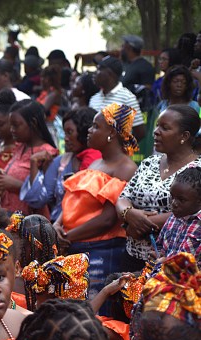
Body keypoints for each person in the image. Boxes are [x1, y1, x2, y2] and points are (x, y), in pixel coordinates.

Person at [56, 104, 138, 297]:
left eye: (95, 126)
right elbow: (73, 198)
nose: (89, 131)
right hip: (75, 244)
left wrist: (67, 237)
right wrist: (57, 225)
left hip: (101, 251)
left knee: (94, 311)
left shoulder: (125, 168)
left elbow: (108, 220)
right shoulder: (96, 163)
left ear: (111, 131)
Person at [115, 105, 200, 272]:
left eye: (165, 128)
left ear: (184, 136)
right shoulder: (150, 162)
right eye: (157, 125)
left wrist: (143, 223)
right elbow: (123, 197)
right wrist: (129, 214)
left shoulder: (197, 169)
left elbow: (196, 211)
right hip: (133, 255)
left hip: (171, 265)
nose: (156, 131)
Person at [21, 107, 100, 221]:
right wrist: (34, 163)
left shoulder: (101, 162)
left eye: (70, 132)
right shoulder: (62, 162)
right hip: (59, 228)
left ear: (84, 132)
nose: (66, 139)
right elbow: (37, 199)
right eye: (64, 133)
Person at [0, 100, 57, 214]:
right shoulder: (19, 147)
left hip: (29, 221)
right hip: (9, 216)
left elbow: (48, 195)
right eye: (10, 125)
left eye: (16, 125)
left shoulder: (47, 153)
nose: (12, 129)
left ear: (33, 123)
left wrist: (16, 185)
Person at [89, 57, 146, 141]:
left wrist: (121, 149)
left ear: (110, 74)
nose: (94, 73)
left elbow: (140, 132)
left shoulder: (127, 98)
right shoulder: (94, 98)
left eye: (99, 69)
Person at [155, 164, 201, 260]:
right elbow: (159, 246)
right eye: (172, 196)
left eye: (182, 200)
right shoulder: (173, 218)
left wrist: (166, 261)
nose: (174, 203)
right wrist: (157, 253)